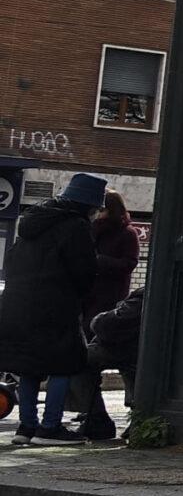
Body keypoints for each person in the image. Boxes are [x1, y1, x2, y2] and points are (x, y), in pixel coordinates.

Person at [1, 172, 106, 446]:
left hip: (16, 304)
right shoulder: (76, 226)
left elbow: (11, 262)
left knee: (29, 367)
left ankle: (26, 427)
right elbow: (85, 271)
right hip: (55, 306)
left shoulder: (32, 223)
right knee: (63, 364)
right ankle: (50, 428)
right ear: (89, 205)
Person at [66, 189, 142, 440]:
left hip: (111, 304)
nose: (99, 214)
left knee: (125, 364)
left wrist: (98, 261)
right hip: (88, 304)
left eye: (102, 209)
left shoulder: (127, 234)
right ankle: (93, 415)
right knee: (81, 359)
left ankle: (135, 416)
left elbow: (128, 263)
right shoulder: (91, 231)